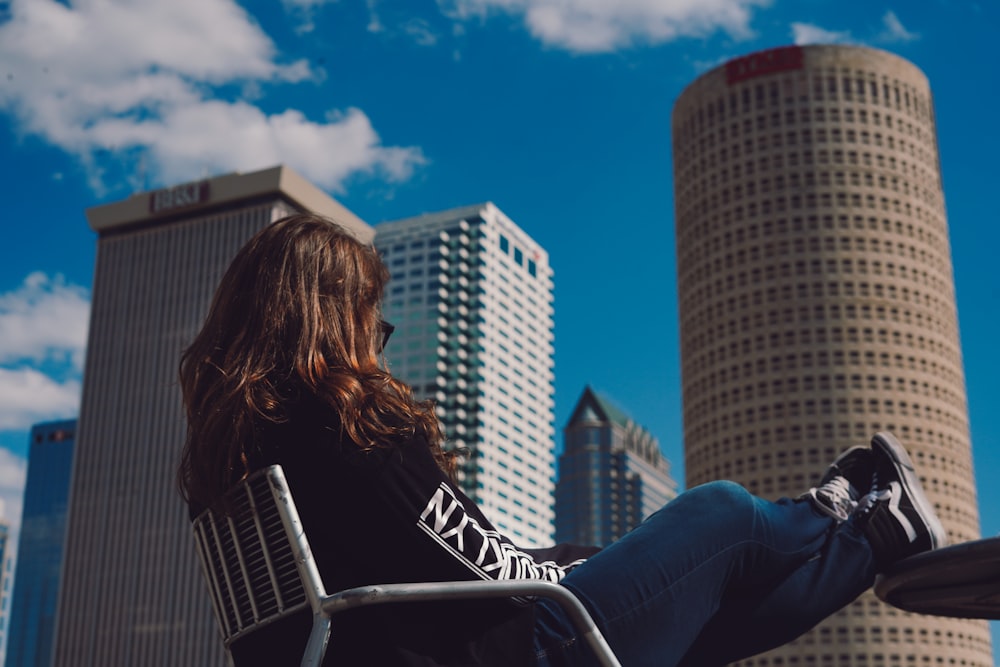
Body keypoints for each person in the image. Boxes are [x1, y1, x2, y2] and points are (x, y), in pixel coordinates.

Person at [178, 213, 947, 667]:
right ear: (330, 316)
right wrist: (580, 562)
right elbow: (492, 572)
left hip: (458, 645)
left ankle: (876, 536)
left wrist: (574, 561)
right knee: (722, 513)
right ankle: (831, 509)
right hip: (514, 652)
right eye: (370, 321)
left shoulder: (237, 457)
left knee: (699, 608)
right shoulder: (345, 424)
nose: (376, 344)